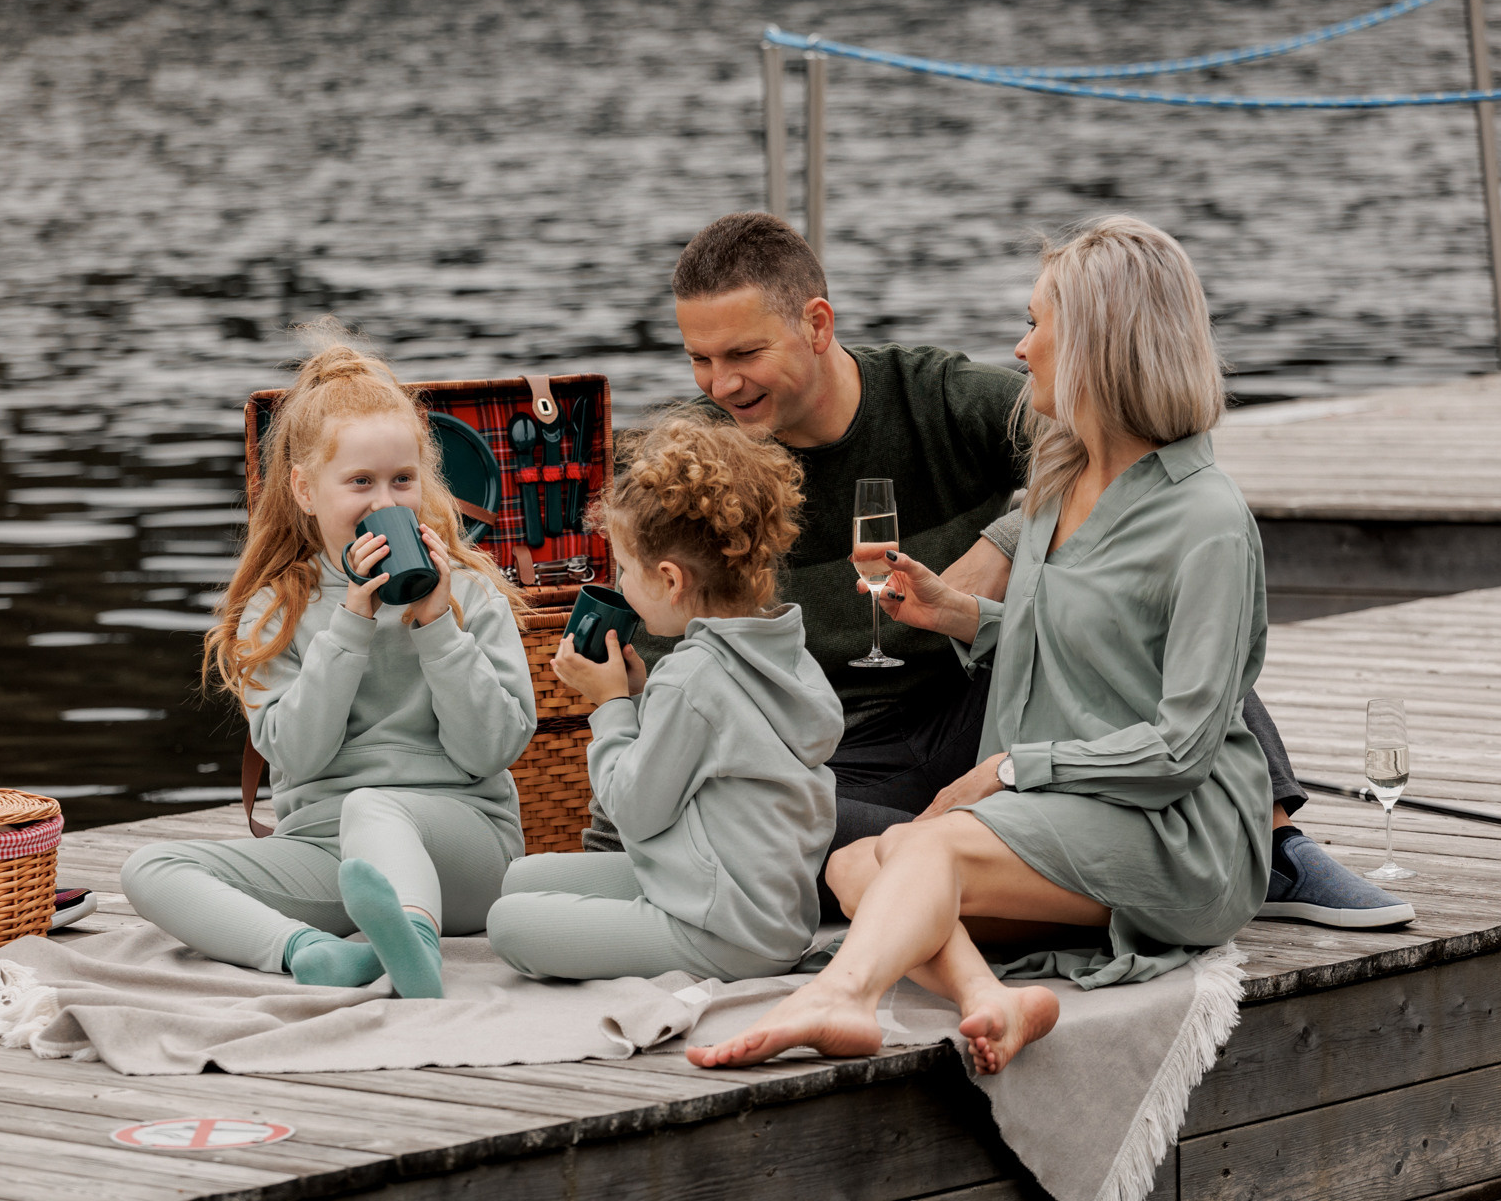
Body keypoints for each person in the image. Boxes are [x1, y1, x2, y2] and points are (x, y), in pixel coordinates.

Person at [598, 211, 1409, 930]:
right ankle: (973, 871)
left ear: (816, 324)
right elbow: (658, 629)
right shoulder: (696, 457)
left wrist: (1008, 538)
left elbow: (1129, 456)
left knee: (1175, 615)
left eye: (744, 353)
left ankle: (1275, 845)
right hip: (838, 747)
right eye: (699, 358)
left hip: (979, 701)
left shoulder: (941, 398)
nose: (719, 384)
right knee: (770, 829)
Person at [690, 215, 1272, 1072]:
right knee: (860, 862)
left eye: (1038, 325)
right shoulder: (1060, 480)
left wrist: (1007, 770)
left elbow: (1184, 750)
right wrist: (958, 615)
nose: (1021, 345)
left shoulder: (1208, 520)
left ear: (1099, 347)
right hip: (1072, 815)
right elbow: (1073, 643)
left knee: (923, 848)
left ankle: (838, 997)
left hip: (1177, 830)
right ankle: (986, 997)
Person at [120, 334, 537, 999]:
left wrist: (435, 622)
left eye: (403, 480)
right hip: (328, 852)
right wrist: (351, 624)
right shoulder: (277, 606)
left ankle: (416, 951)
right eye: (360, 483)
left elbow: (491, 749)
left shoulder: (470, 592)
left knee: (375, 808)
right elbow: (300, 757)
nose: (385, 502)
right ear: (306, 491)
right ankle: (311, 953)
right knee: (151, 866)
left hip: (461, 848)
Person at [487, 413, 842, 981]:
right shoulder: (785, 649)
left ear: (672, 580)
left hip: (722, 933)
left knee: (508, 922)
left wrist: (609, 708)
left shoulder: (691, 677)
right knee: (522, 878)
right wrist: (640, 695)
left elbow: (633, 813)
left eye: (625, 568)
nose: (620, 583)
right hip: (766, 909)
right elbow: (720, 741)